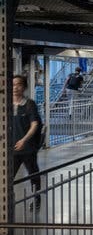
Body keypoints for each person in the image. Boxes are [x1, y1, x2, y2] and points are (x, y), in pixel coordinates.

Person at [12, 75, 42, 210]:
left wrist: (24, 140)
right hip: (11, 148)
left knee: (33, 173)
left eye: (18, 84)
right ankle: (7, 202)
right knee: (7, 176)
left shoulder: (29, 104)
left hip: (27, 147)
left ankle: (36, 199)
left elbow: (34, 124)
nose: (15, 88)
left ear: (24, 87)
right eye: (13, 85)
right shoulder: (6, 104)